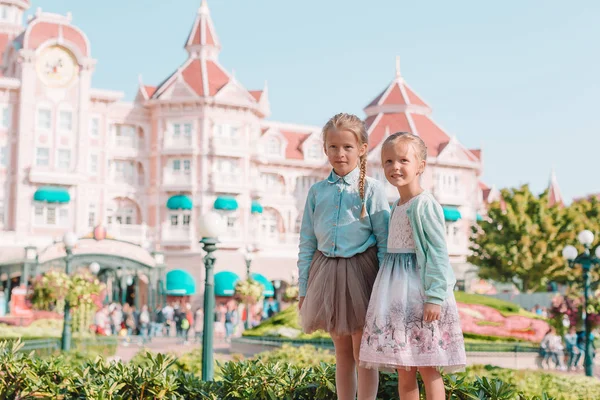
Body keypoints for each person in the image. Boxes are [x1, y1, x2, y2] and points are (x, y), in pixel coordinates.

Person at [359, 132, 466, 400]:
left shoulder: (424, 205)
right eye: (388, 161)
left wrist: (435, 297)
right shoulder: (397, 206)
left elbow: (438, 253)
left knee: (428, 365)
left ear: (420, 165)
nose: (395, 167)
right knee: (404, 366)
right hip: (397, 299)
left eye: (403, 160)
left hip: (421, 296)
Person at [297, 113, 390, 400]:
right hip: (327, 275)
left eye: (348, 147)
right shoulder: (317, 192)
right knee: (341, 351)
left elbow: (385, 243)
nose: (340, 154)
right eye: (333, 147)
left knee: (363, 349)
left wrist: (386, 287)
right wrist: (303, 289)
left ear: (362, 148)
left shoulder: (372, 189)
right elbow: (307, 243)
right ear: (325, 149)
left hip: (363, 275)